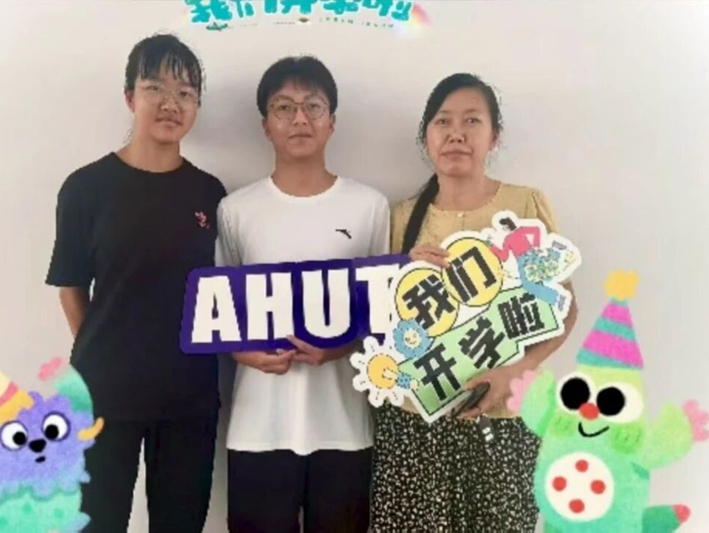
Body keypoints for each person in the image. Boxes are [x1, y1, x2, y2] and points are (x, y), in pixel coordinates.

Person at [370, 73, 579, 532]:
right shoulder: (399, 217)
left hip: (504, 419)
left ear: (493, 135)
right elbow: (374, 322)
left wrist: (516, 371)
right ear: (426, 136)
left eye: (471, 121)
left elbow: (564, 308)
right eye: (443, 121)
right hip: (414, 422)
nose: (456, 134)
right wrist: (400, 275)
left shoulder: (525, 205)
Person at [45, 33, 226, 532]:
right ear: (130, 97)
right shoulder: (86, 188)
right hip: (104, 395)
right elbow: (70, 286)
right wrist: (104, 359)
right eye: (156, 88)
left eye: (186, 93)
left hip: (189, 396)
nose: (172, 103)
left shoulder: (210, 193)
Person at [215, 55, 390, 533]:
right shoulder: (236, 210)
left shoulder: (369, 206)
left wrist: (343, 347)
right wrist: (243, 353)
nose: (299, 119)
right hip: (258, 428)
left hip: (344, 428)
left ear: (332, 121)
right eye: (284, 107)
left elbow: (384, 315)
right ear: (265, 125)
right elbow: (219, 315)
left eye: (313, 106)